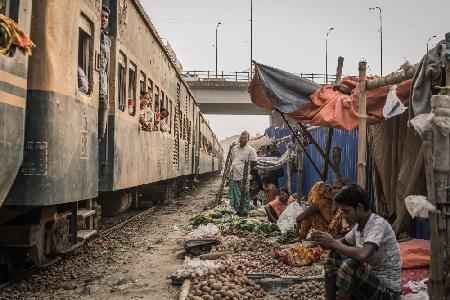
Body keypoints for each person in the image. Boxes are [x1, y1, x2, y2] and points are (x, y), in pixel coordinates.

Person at [312, 184, 402, 300]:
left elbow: (362, 255)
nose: (343, 216)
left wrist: (334, 243)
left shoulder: (378, 224)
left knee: (350, 265)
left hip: (388, 291)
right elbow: (341, 242)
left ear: (359, 207)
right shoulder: (359, 227)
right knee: (333, 255)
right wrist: (325, 242)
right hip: (370, 282)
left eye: (346, 211)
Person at [228, 131, 257, 215]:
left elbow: (254, 163)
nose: (243, 139)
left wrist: (250, 174)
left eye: (245, 138)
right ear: (239, 138)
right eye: (242, 137)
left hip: (244, 176)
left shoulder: (251, 150)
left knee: (244, 194)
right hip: (234, 174)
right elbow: (232, 160)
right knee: (234, 194)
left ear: (248, 140)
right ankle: (235, 210)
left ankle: (244, 211)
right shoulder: (234, 148)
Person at [98, 5, 111, 140]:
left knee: (101, 131)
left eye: (106, 17)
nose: (104, 19)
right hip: (93, 84)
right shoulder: (94, 33)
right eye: (102, 16)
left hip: (102, 89)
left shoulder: (107, 41)